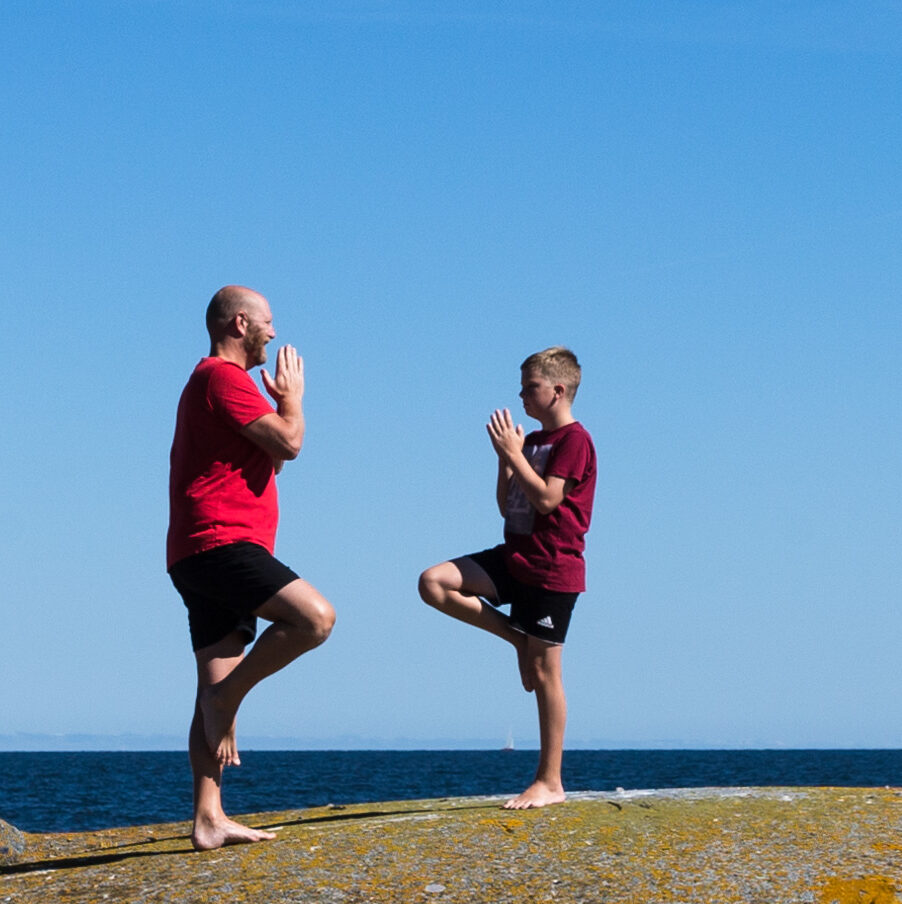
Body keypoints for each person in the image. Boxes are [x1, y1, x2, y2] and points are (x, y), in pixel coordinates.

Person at [167, 285, 335, 850]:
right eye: (268, 322)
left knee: (211, 681)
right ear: (240, 324)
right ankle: (227, 699)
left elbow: (269, 463)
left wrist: (277, 410)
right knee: (315, 619)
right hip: (221, 543)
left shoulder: (215, 386)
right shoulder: (222, 378)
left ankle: (208, 816)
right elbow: (290, 443)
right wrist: (295, 397)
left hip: (201, 550)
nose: (274, 332)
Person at [419, 347, 596, 809]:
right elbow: (509, 506)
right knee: (433, 582)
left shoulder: (575, 442)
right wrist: (504, 461)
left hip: (552, 568)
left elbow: (547, 500)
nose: (521, 395)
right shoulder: (532, 443)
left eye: (530, 387)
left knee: (545, 672)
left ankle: (550, 781)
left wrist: (514, 455)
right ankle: (516, 637)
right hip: (512, 557)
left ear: (557, 391)